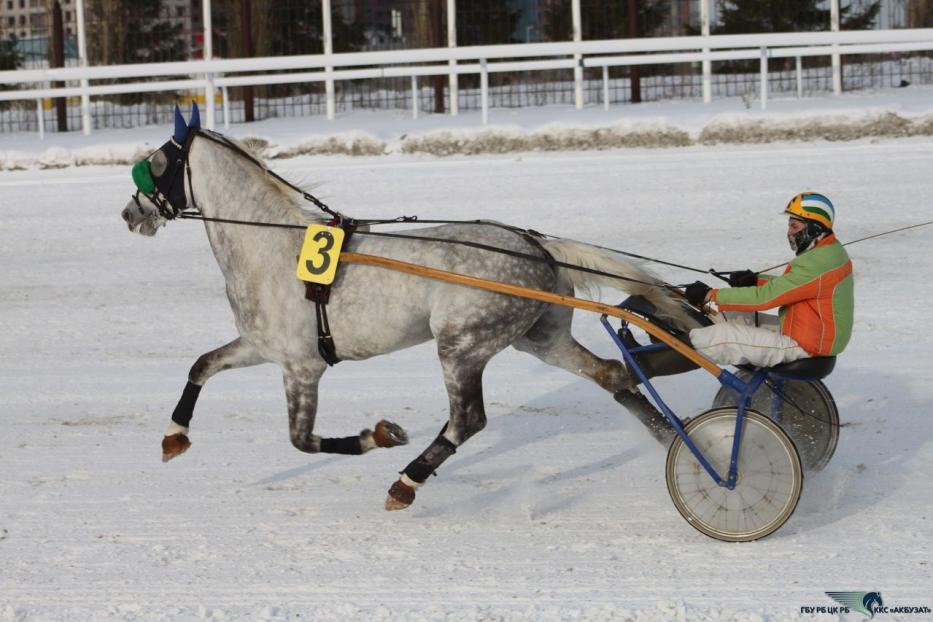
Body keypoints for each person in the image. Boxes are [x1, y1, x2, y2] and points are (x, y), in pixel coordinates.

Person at [614, 192, 854, 440]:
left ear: (814, 228)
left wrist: (710, 295)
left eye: (794, 226)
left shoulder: (816, 263)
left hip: (805, 344)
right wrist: (755, 279)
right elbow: (792, 285)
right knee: (731, 315)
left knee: (718, 337)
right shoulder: (828, 253)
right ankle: (676, 343)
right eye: (789, 225)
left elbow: (766, 298)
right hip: (807, 330)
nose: (789, 232)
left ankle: (648, 364)